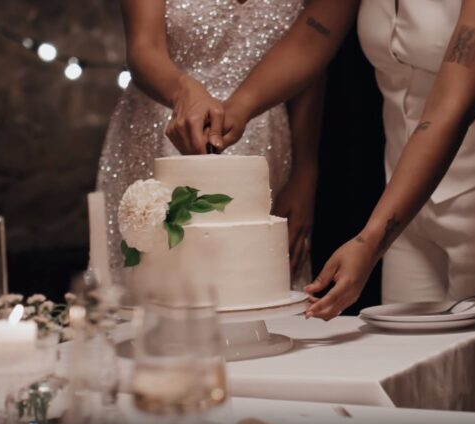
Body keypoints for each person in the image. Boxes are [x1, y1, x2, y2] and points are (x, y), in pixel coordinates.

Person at [169, 0, 475, 417]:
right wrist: (236, 110)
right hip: (407, 210)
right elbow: (315, 33)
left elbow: (449, 110)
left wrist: (370, 241)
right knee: (416, 401)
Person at [98, 0, 323, 290]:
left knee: (255, 292)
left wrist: (305, 170)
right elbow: (144, 48)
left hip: (265, 141)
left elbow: (311, 59)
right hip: (165, 123)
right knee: (154, 295)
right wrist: (182, 91)